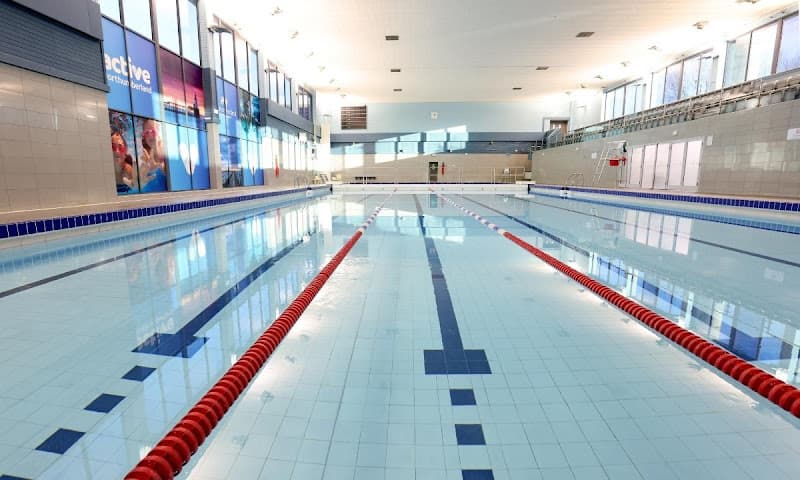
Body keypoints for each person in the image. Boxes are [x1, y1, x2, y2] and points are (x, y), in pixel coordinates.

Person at [137, 118, 168, 192]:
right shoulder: (145, 154)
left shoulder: (167, 151)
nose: (150, 135)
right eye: (147, 133)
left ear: (160, 133)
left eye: (153, 131)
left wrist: (160, 168)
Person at [111, 129, 137, 193]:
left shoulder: (128, 169)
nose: (117, 151)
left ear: (125, 152)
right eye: (112, 147)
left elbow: (135, 186)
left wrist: (134, 184)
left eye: (121, 148)